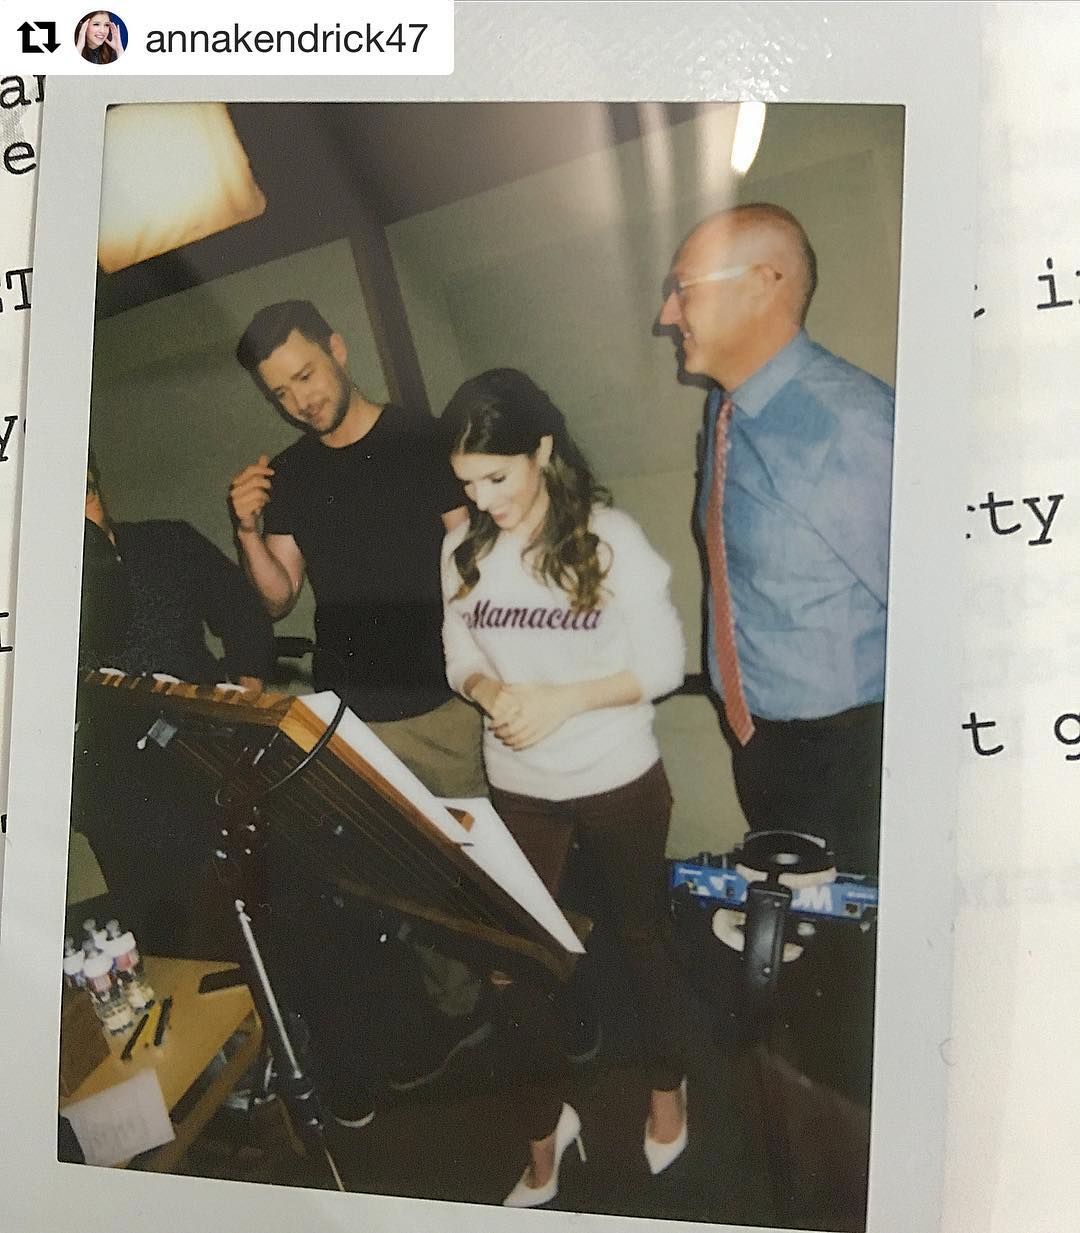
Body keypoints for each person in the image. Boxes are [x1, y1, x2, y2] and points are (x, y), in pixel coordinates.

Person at [228, 300, 490, 1126]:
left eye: (305, 375)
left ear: (338, 349)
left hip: (440, 702)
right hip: (348, 715)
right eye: (280, 393)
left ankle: (522, 1007)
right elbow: (278, 598)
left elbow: (475, 562)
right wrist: (247, 528)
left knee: (480, 870)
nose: (300, 400)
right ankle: (456, 1012)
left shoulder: (424, 439)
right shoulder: (293, 473)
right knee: (401, 878)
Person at [440, 368, 688, 1207]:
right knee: (514, 967)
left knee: (640, 937)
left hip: (617, 772)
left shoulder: (608, 537)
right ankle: (545, 1129)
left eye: (497, 476)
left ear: (541, 449)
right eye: (468, 483)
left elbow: (663, 665)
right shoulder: (464, 547)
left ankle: (668, 1086)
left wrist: (561, 700)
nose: (484, 500)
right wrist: (488, 691)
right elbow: (460, 653)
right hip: (520, 784)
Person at [658, 203, 893, 877]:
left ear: (762, 283)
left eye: (684, 289)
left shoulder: (848, 426)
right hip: (761, 736)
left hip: (855, 757)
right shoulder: (726, 407)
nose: (667, 314)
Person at [74, 453, 274, 954]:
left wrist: (245, 695)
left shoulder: (168, 542)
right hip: (117, 784)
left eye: (86, 494)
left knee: (248, 910)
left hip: (204, 755)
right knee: (164, 933)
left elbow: (244, 613)